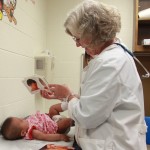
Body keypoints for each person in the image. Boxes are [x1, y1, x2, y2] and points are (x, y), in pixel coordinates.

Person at [41, 0, 147, 150]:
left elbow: (86, 117)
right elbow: (101, 102)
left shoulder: (109, 63)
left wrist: (69, 96)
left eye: (77, 38)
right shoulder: (114, 57)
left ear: (92, 34)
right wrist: (66, 96)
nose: (77, 44)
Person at [1, 102, 74, 142]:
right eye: (20, 120)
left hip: (52, 119)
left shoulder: (27, 121)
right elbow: (45, 137)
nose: (21, 118)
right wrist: (60, 137)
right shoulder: (32, 131)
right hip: (56, 127)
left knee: (52, 108)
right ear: (23, 132)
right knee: (67, 121)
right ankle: (76, 120)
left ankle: (69, 103)